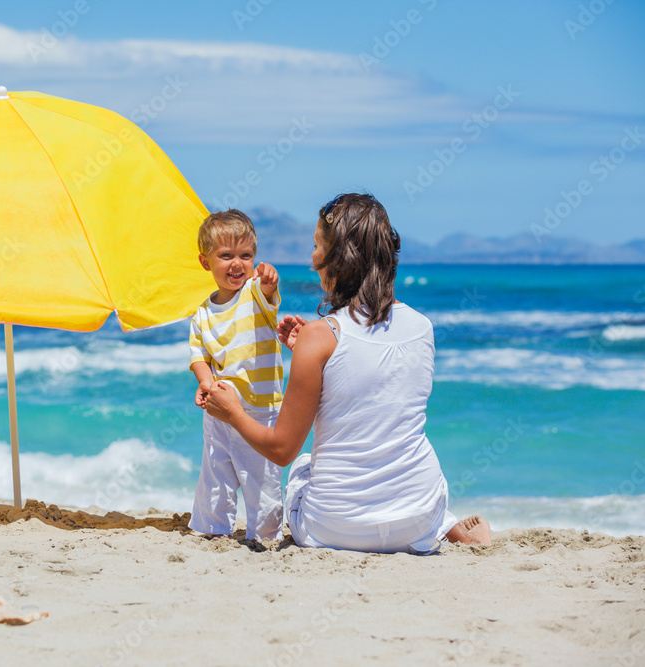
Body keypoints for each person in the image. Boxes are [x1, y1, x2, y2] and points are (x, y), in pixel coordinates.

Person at [204, 194, 491, 553]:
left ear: (337, 258)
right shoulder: (423, 327)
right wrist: (314, 357)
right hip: (417, 521)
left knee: (303, 467)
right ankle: (451, 526)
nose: (311, 256)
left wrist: (232, 413)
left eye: (316, 246)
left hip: (333, 528)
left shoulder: (320, 337)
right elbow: (376, 391)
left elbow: (281, 450)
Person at [187, 209, 285, 540]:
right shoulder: (202, 313)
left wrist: (269, 281)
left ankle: (265, 534)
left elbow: (269, 294)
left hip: (257, 408)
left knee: (260, 476)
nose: (237, 264)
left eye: (246, 255)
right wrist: (205, 382)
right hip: (219, 407)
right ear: (206, 262)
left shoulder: (254, 294)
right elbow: (198, 354)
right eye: (226, 255)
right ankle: (212, 529)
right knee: (215, 472)